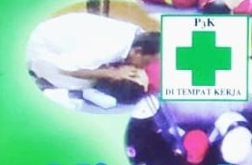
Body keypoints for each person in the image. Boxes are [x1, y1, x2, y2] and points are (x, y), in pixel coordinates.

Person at [26, 12, 160, 103]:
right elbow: (66, 69)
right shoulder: (109, 49)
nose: (143, 67)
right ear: (138, 51)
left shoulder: (140, 35)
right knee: (84, 83)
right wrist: (112, 73)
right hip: (42, 47)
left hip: (67, 36)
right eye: (145, 63)